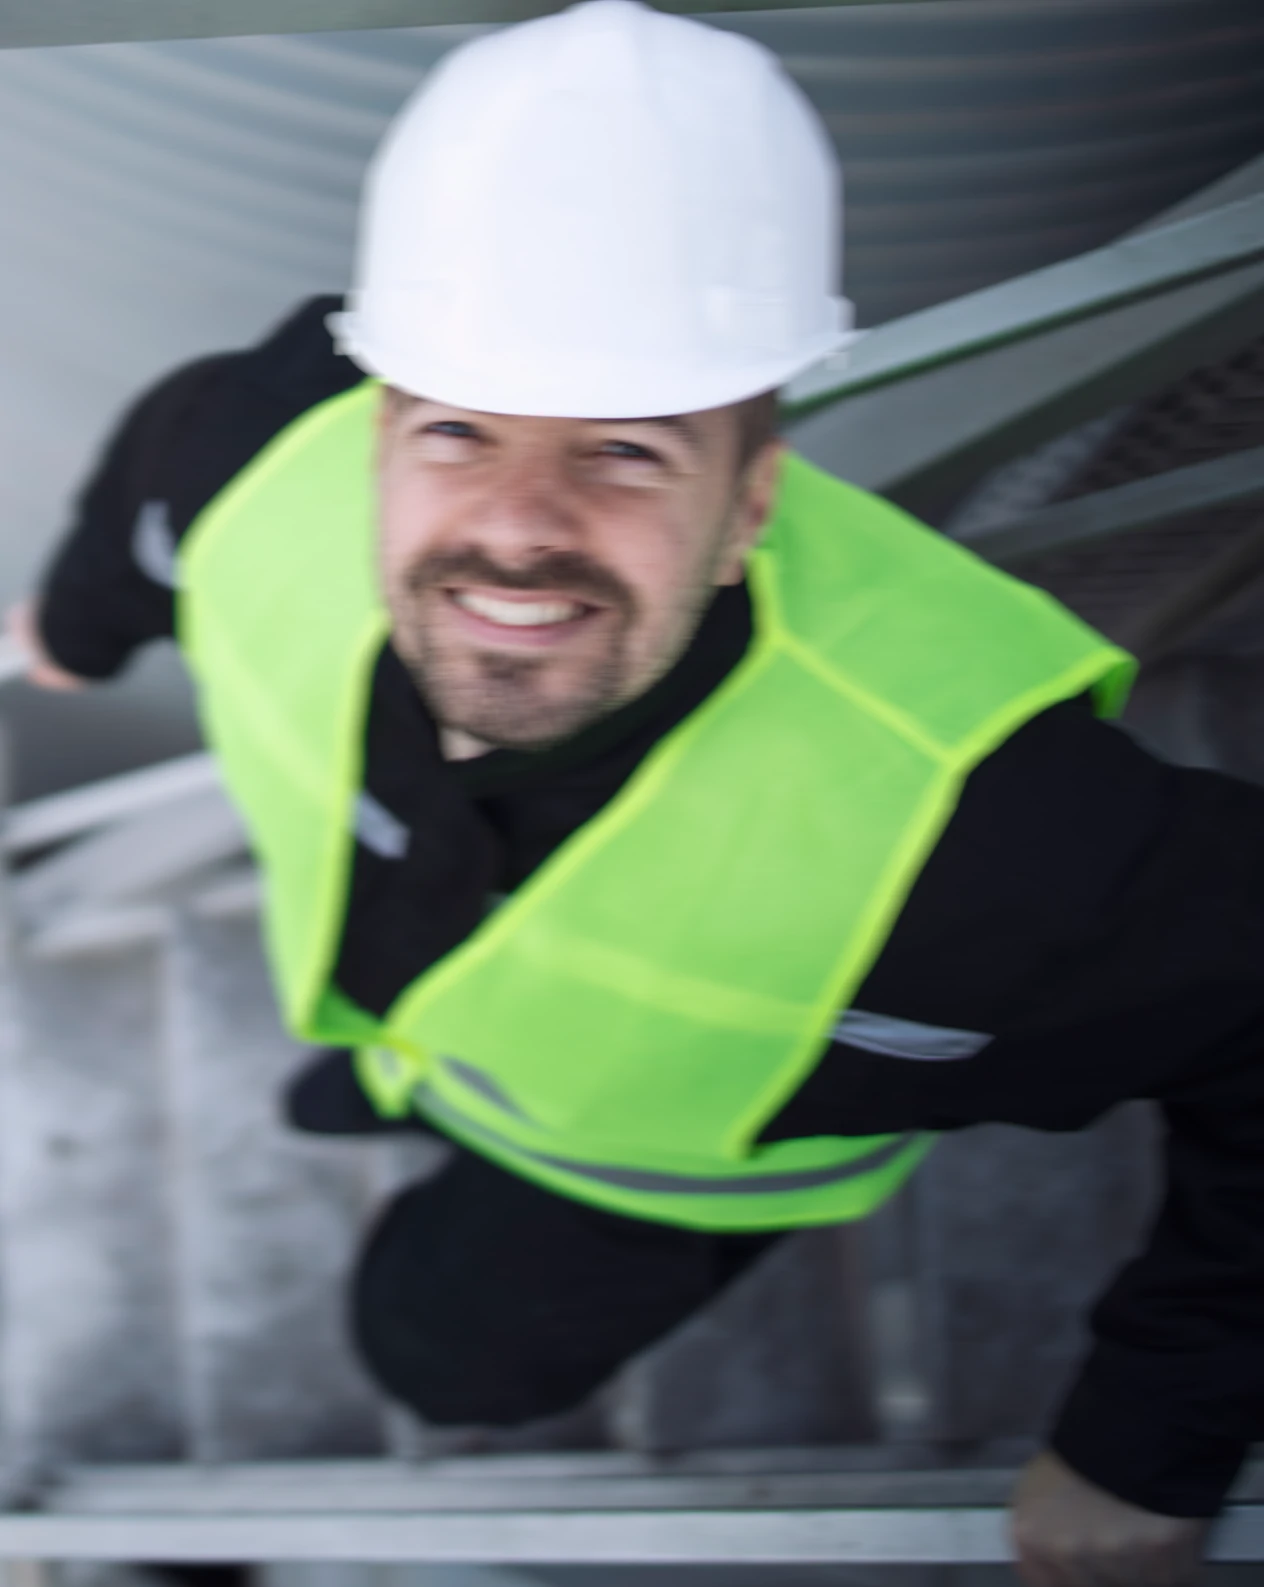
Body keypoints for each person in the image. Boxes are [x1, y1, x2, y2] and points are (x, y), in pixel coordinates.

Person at [10, 4, 1263, 1581]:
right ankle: (411, 1071)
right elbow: (146, 499)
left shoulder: (996, 843)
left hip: (649, 1175)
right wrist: (76, 625)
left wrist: (1152, 1429)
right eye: (459, 429)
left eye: (623, 451)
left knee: (440, 1357)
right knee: (368, 1084)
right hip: (425, 1009)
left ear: (751, 506)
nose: (519, 530)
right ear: (376, 432)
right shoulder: (255, 444)